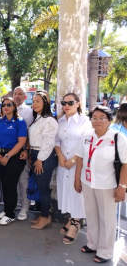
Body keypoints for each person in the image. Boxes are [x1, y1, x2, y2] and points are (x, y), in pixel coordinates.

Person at [75, 106, 127, 263]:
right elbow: (80, 159)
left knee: (107, 218)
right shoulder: (86, 136)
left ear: (109, 120)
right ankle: (93, 244)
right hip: (87, 182)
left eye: (102, 117)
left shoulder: (118, 138)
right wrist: (77, 179)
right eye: (94, 118)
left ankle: (105, 251)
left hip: (108, 185)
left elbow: (125, 164)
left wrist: (122, 187)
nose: (97, 121)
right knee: (91, 215)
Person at [54, 93, 91, 245]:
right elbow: (56, 141)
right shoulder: (60, 121)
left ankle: (76, 223)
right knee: (67, 191)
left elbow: (86, 142)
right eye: (64, 102)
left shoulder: (85, 121)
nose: (66, 105)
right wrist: (61, 156)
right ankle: (71, 217)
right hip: (63, 162)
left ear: (78, 103)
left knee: (77, 191)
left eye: (70, 102)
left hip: (79, 162)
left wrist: (74, 159)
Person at [0, 98, 28, 225]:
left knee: (10, 185)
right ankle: (7, 209)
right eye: (4, 105)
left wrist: (7, 156)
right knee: (4, 184)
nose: (6, 107)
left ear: (14, 107)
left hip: (13, 156)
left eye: (9, 104)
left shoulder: (20, 122)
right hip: (0, 155)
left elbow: (21, 142)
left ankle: (10, 214)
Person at [28, 91, 58, 230]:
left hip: (44, 156)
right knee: (41, 188)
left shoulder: (49, 120)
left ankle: (45, 217)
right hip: (35, 154)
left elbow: (48, 142)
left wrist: (39, 159)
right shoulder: (38, 118)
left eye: (38, 101)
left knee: (44, 189)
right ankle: (44, 215)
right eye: (33, 101)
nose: (34, 104)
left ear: (45, 102)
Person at [13, 86, 34, 220]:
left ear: (25, 97)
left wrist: (27, 150)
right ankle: (18, 202)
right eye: (15, 94)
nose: (17, 96)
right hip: (9, 150)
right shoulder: (8, 108)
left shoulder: (28, 112)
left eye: (20, 94)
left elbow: (29, 134)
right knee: (13, 180)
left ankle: (25, 207)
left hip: (22, 151)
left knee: (23, 180)